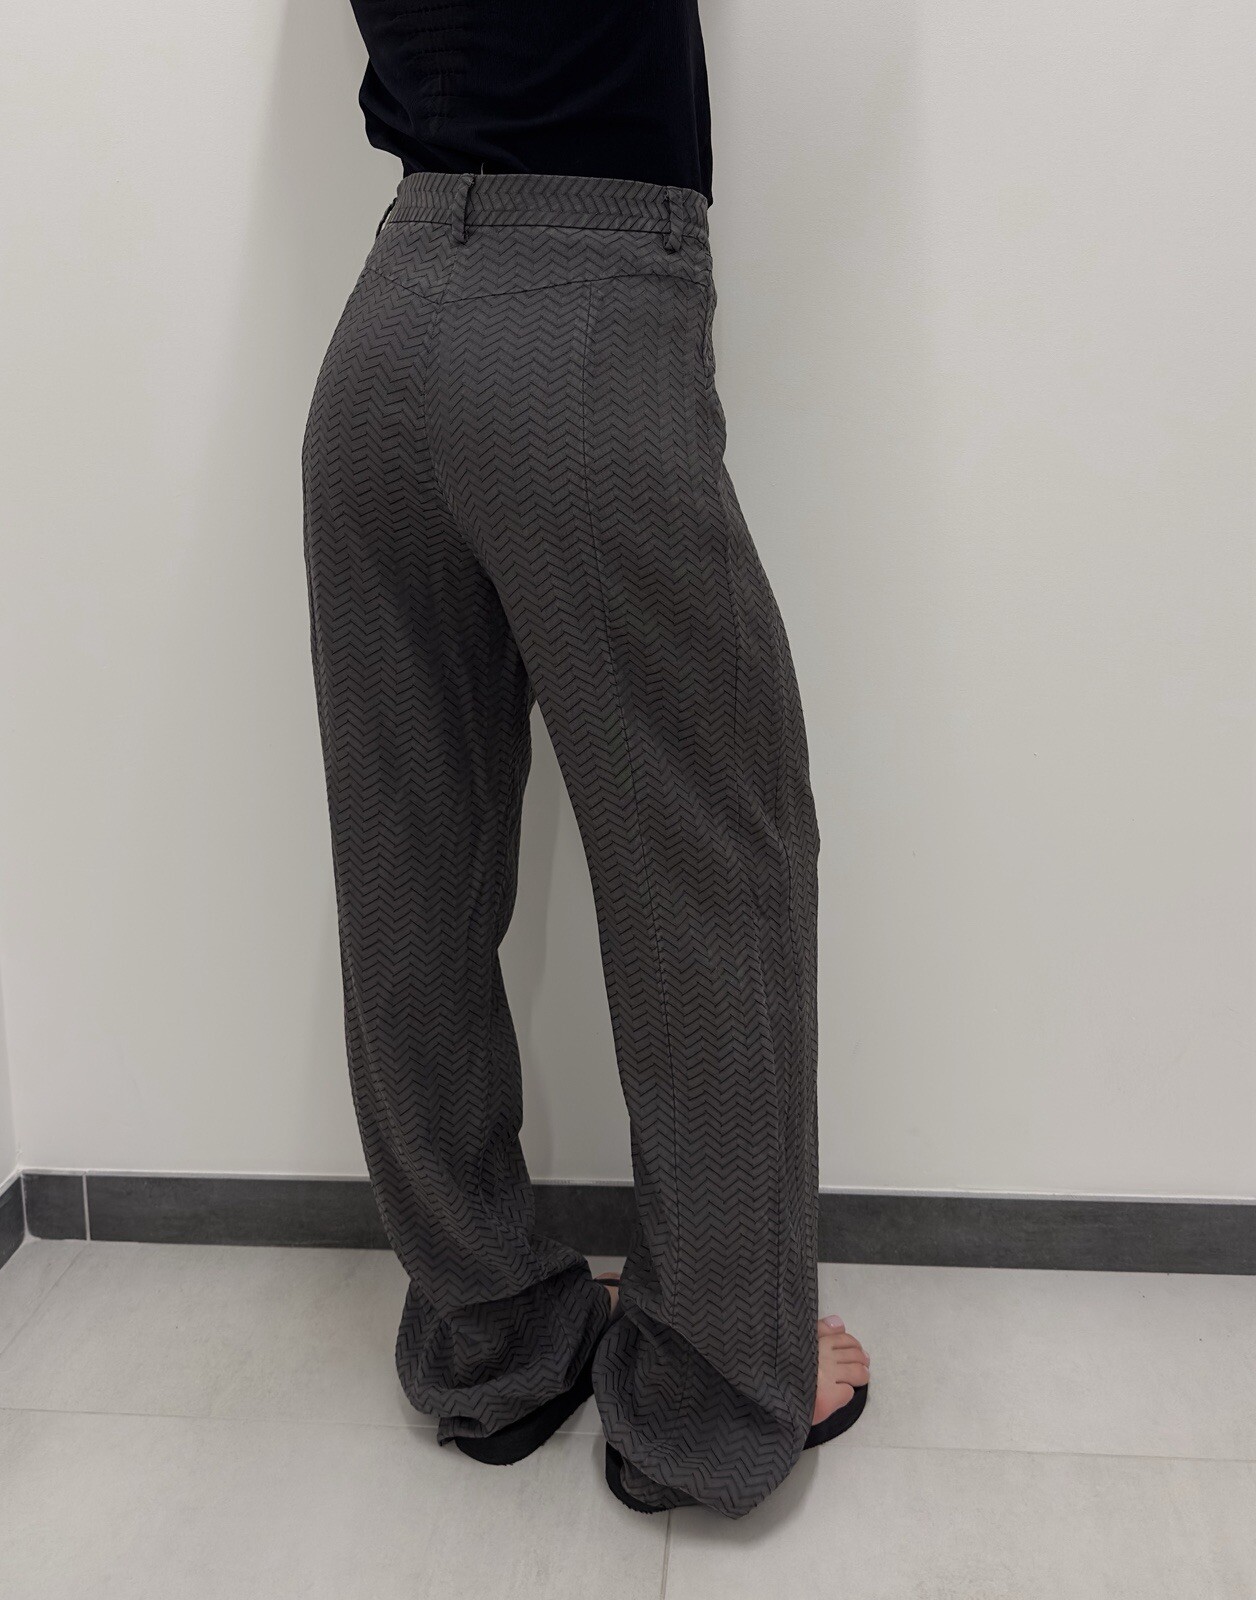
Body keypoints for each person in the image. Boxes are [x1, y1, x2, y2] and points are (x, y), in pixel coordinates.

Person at [300, 0, 870, 1520]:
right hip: (588, 309)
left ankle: (489, 1337)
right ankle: (715, 1385)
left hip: (385, 329)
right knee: (713, 866)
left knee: (411, 869)